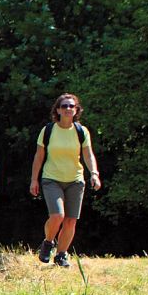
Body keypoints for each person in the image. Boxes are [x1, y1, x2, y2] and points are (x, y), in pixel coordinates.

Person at [30, 93, 102, 268]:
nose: (68, 109)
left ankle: (61, 255)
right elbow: (39, 157)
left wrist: (94, 173)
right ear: (58, 110)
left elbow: (88, 154)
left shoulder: (81, 131)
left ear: (76, 110)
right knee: (57, 215)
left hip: (75, 180)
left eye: (71, 106)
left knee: (70, 220)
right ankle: (48, 243)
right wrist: (34, 180)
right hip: (51, 178)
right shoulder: (48, 130)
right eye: (64, 106)